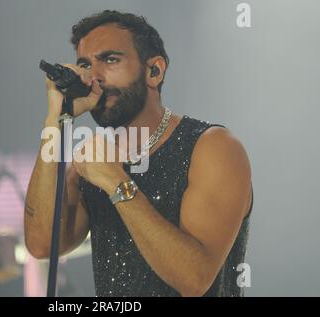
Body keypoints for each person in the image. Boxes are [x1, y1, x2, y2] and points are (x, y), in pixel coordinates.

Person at [24, 10, 253, 297]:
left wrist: (114, 180)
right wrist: (54, 121)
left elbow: (194, 278)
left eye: (110, 60)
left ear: (154, 71)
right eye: (85, 64)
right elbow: (42, 244)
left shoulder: (213, 148)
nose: (93, 77)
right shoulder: (95, 161)